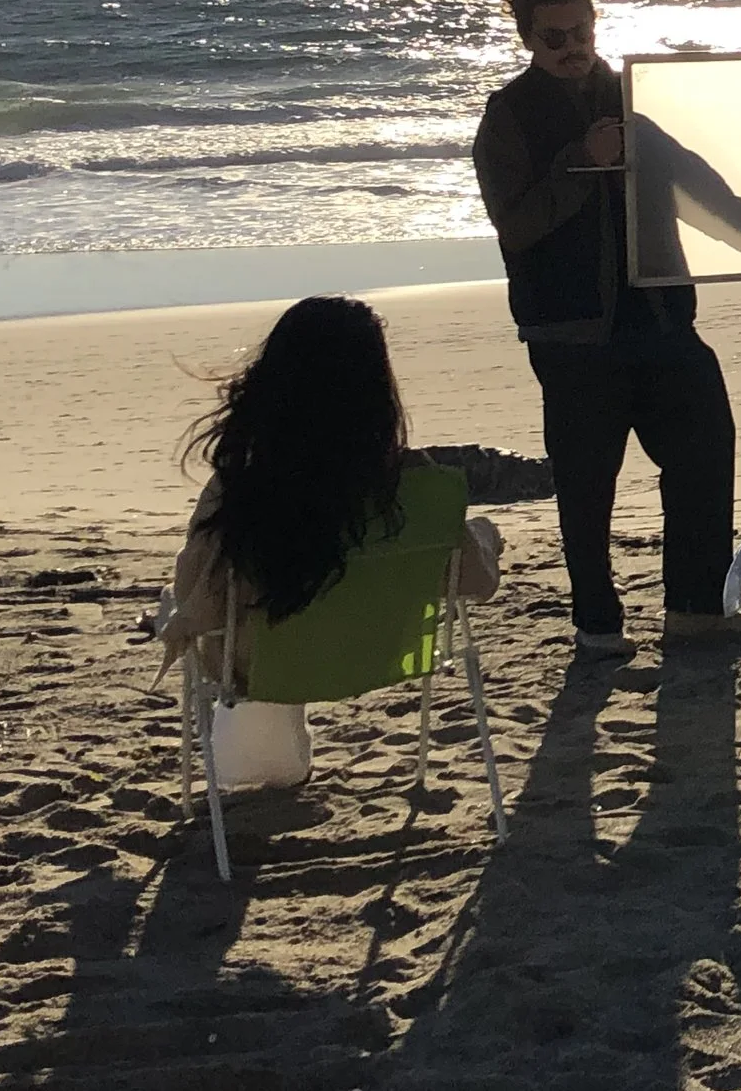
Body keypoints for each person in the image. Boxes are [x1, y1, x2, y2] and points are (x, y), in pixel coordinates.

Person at [472, 0, 741, 662]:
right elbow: (515, 226)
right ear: (528, 39)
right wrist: (580, 161)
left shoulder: (631, 92)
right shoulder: (508, 115)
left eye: (581, 32)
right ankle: (597, 625)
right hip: (571, 334)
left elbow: (703, 191)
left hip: (665, 319)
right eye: (555, 37)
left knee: (705, 455)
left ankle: (695, 612)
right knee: (586, 486)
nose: (573, 47)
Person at [157, 296, 503, 784]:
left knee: (243, 610)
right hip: (384, 651)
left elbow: (202, 602)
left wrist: (175, 613)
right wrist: (485, 538)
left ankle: (265, 758)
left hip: (267, 667)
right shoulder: (418, 487)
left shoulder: (243, 492)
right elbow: (477, 583)